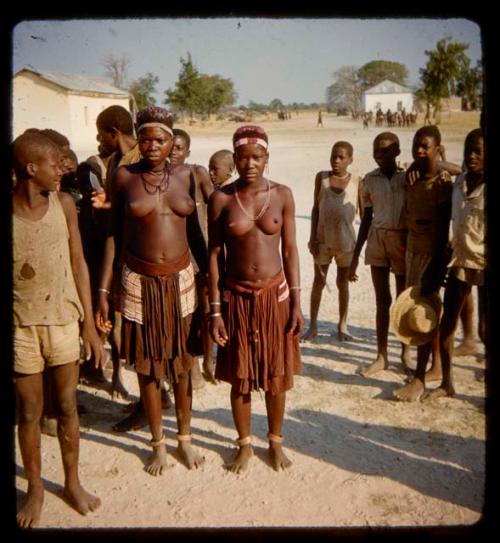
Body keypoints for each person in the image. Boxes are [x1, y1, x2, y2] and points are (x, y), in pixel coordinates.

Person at [95, 106, 207, 475]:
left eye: (160, 139)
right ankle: (158, 444)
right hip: (138, 281)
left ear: (173, 142)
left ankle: (185, 440)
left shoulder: (190, 176)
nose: (152, 145)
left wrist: (211, 285)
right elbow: (114, 233)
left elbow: (199, 234)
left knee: (182, 363)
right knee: (147, 366)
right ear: (138, 141)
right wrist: (103, 289)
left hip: (181, 282)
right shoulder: (125, 176)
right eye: (145, 138)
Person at [12, 131, 105, 528]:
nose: (61, 171)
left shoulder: (64, 204)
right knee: (30, 411)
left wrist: (90, 327)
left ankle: (72, 482)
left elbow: (79, 262)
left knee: (67, 406)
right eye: (54, 165)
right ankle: (35, 489)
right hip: (21, 327)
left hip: (64, 320)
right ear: (32, 169)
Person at [208, 125, 303, 473]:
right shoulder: (221, 199)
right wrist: (215, 311)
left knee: (276, 373)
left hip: (274, 296)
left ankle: (275, 442)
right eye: (243, 158)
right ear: (235, 160)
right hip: (236, 297)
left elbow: (290, 251)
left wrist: (295, 301)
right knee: (240, 375)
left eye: (257, 157)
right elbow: (215, 255)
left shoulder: (282, 195)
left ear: (267, 159)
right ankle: (245, 445)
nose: (250, 164)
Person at [393, 125, 454, 401]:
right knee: (423, 313)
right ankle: (434, 367)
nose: (419, 150)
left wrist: (436, 266)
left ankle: (419, 378)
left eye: (425, 146)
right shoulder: (413, 177)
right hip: (413, 252)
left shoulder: (442, 183)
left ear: (437, 149)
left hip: (432, 255)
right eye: (416, 145)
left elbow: (442, 231)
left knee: (424, 314)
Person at [427, 128, 485, 398]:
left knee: (485, 330)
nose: (472, 156)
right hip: (459, 262)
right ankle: (447, 383)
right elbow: (437, 163)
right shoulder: (460, 182)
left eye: (478, 152)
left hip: (484, 265)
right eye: (468, 151)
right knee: (447, 325)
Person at [349, 132, 411, 376]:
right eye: (376, 151)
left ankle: (405, 352)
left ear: (397, 151)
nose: (380, 155)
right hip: (377, 240)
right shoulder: (369, 180)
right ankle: (381, 355)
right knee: (381, 301)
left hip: (401, 240)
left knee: (403, 300)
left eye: (385, 150)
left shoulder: (407, 176)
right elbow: (366, 220)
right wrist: (355, 256)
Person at [301, 141, 360, 342]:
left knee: (343, 283)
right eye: (333, 156)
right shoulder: (322, 177)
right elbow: (316, 208)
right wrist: (311, 237)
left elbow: (363, 213)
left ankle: (342, 326)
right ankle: (313, 326)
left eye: (341, 157)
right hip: (322, 241)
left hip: (346, 244)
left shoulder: (357, 182)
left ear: (350, 160)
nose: (336, 160)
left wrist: (358, 251)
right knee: (319, 281)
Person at [169, 128, 214, 385]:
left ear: (187, 151)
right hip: (176, 259)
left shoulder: (197, 174)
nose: (173, 152)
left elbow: (216, 204)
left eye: (179, 148)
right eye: (171, 147)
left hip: (199, 256)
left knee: (204, 311)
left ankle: (207, 359)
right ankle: (191, 364)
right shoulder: (159, 178)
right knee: (182, 313)